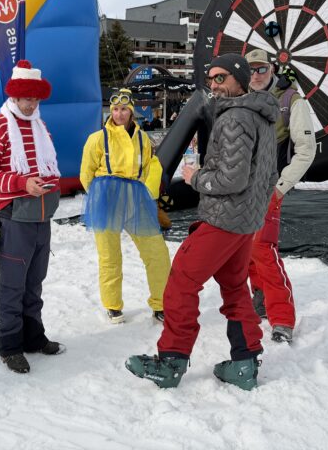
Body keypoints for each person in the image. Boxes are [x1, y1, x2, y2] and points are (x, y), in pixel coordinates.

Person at [126, 53, 279, 391]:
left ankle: (171, 360)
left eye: (221, 78)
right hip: (244, 221)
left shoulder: (235, 118)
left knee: (181, 281)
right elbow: (269, 175)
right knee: (235, 287)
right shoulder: (263, 116)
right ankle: (245, 361)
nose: (214, 84)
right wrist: (253, 210)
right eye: (211, 78)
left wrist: (196, 178)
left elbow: (232, 180)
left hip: (223, 218)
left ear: (239, 80)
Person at [0, 60, 64, 374]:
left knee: (34, 283)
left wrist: (50, 185)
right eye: (27, 98)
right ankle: (10, 345)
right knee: (12, 285)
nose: (31, 104)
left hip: (42, 218)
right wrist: (22, 184)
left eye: (36, 98)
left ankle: (33, 336)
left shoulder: (40, 125)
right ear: (14, 96)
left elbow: (48, 167)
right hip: (14, 217)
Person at [79, 88, 171, 324]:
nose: (119, 114)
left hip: (136, 199)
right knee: (110, 256)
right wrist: (99, 196)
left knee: (156, 252)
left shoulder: (143, 138)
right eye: (116, 109)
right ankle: (112, 305)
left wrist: (149, 193)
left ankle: (161, 303)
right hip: (107, 200)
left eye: (124, 109)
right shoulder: (97, 139)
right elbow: (86, 174)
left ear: (131, 112)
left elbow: (153, 166)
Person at [245, 49, 316, 343]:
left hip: (269, 186)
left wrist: (281, 187)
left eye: (262, 69)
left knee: (263, 248)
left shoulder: (291, 101)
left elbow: (306, 149)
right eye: (251, 70)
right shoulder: (241, 98)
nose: (256, 75)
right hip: (241, 188)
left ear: (272, 68)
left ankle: (282, 319)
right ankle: (260, 297)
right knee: (244, 249)